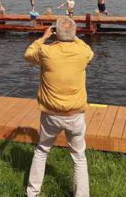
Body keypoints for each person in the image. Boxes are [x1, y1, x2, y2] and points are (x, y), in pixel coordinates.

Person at [24, 17, 94, 197]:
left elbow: (28, 54)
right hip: (75, 115)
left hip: (51, 115)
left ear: (55, 32)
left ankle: (32, 193)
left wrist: (44, 36)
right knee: (79, 157)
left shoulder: (46, 52)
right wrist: (74, 37)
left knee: (42, 151)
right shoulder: (83, 53)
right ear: (75, 34)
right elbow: (89, 50)